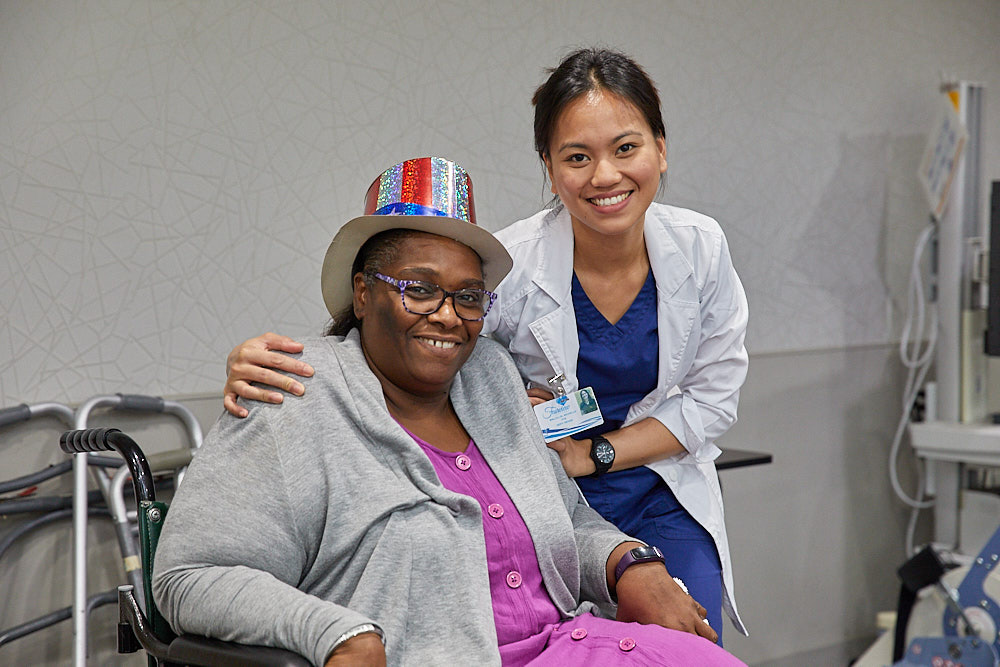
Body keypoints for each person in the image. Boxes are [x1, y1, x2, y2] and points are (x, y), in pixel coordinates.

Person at [221, 48, 749, 639]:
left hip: (655, 483)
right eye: (578, 156)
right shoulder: (504, 268)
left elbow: (713, 395)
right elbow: (409, 356)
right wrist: (274, 363)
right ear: (549, 168)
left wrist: (593, 453)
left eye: (626, 148)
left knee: (689, 640)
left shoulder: (700, 246)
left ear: (661, 147)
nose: (605, 175)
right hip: (535, 496)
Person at [152, 157, 746, 667]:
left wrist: (629, 562)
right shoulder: (292, 394)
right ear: (363, 291)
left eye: (467, 296)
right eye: (418, 288)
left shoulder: (490, 377)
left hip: (567, 643)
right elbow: (191, 577)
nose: (447, 314)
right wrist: (337, 632)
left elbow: (568, 517)